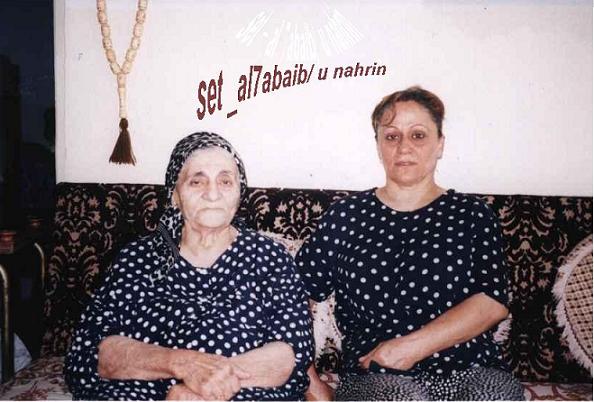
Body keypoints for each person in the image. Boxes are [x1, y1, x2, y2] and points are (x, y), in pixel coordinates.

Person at [296, 87, 524, 401]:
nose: (404, 147)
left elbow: (492, 301)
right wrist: (310, 382)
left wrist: (409, 348)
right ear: (378, 146)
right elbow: (289, 298)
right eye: (391, 136)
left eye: (418, 135)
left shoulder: (472, 214)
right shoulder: (346, 216)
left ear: (440, 144)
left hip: (473, 369)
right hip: (376, 377)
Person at [64, 132, 313, 400]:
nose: (213, 194)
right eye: (197, 181)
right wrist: (183, 365)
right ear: (175, 194)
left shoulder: (269, 258)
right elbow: (88, 354)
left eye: (225, 181)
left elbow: (292, 354)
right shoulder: (138, 259)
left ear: (240, 192)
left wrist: (203, 389)